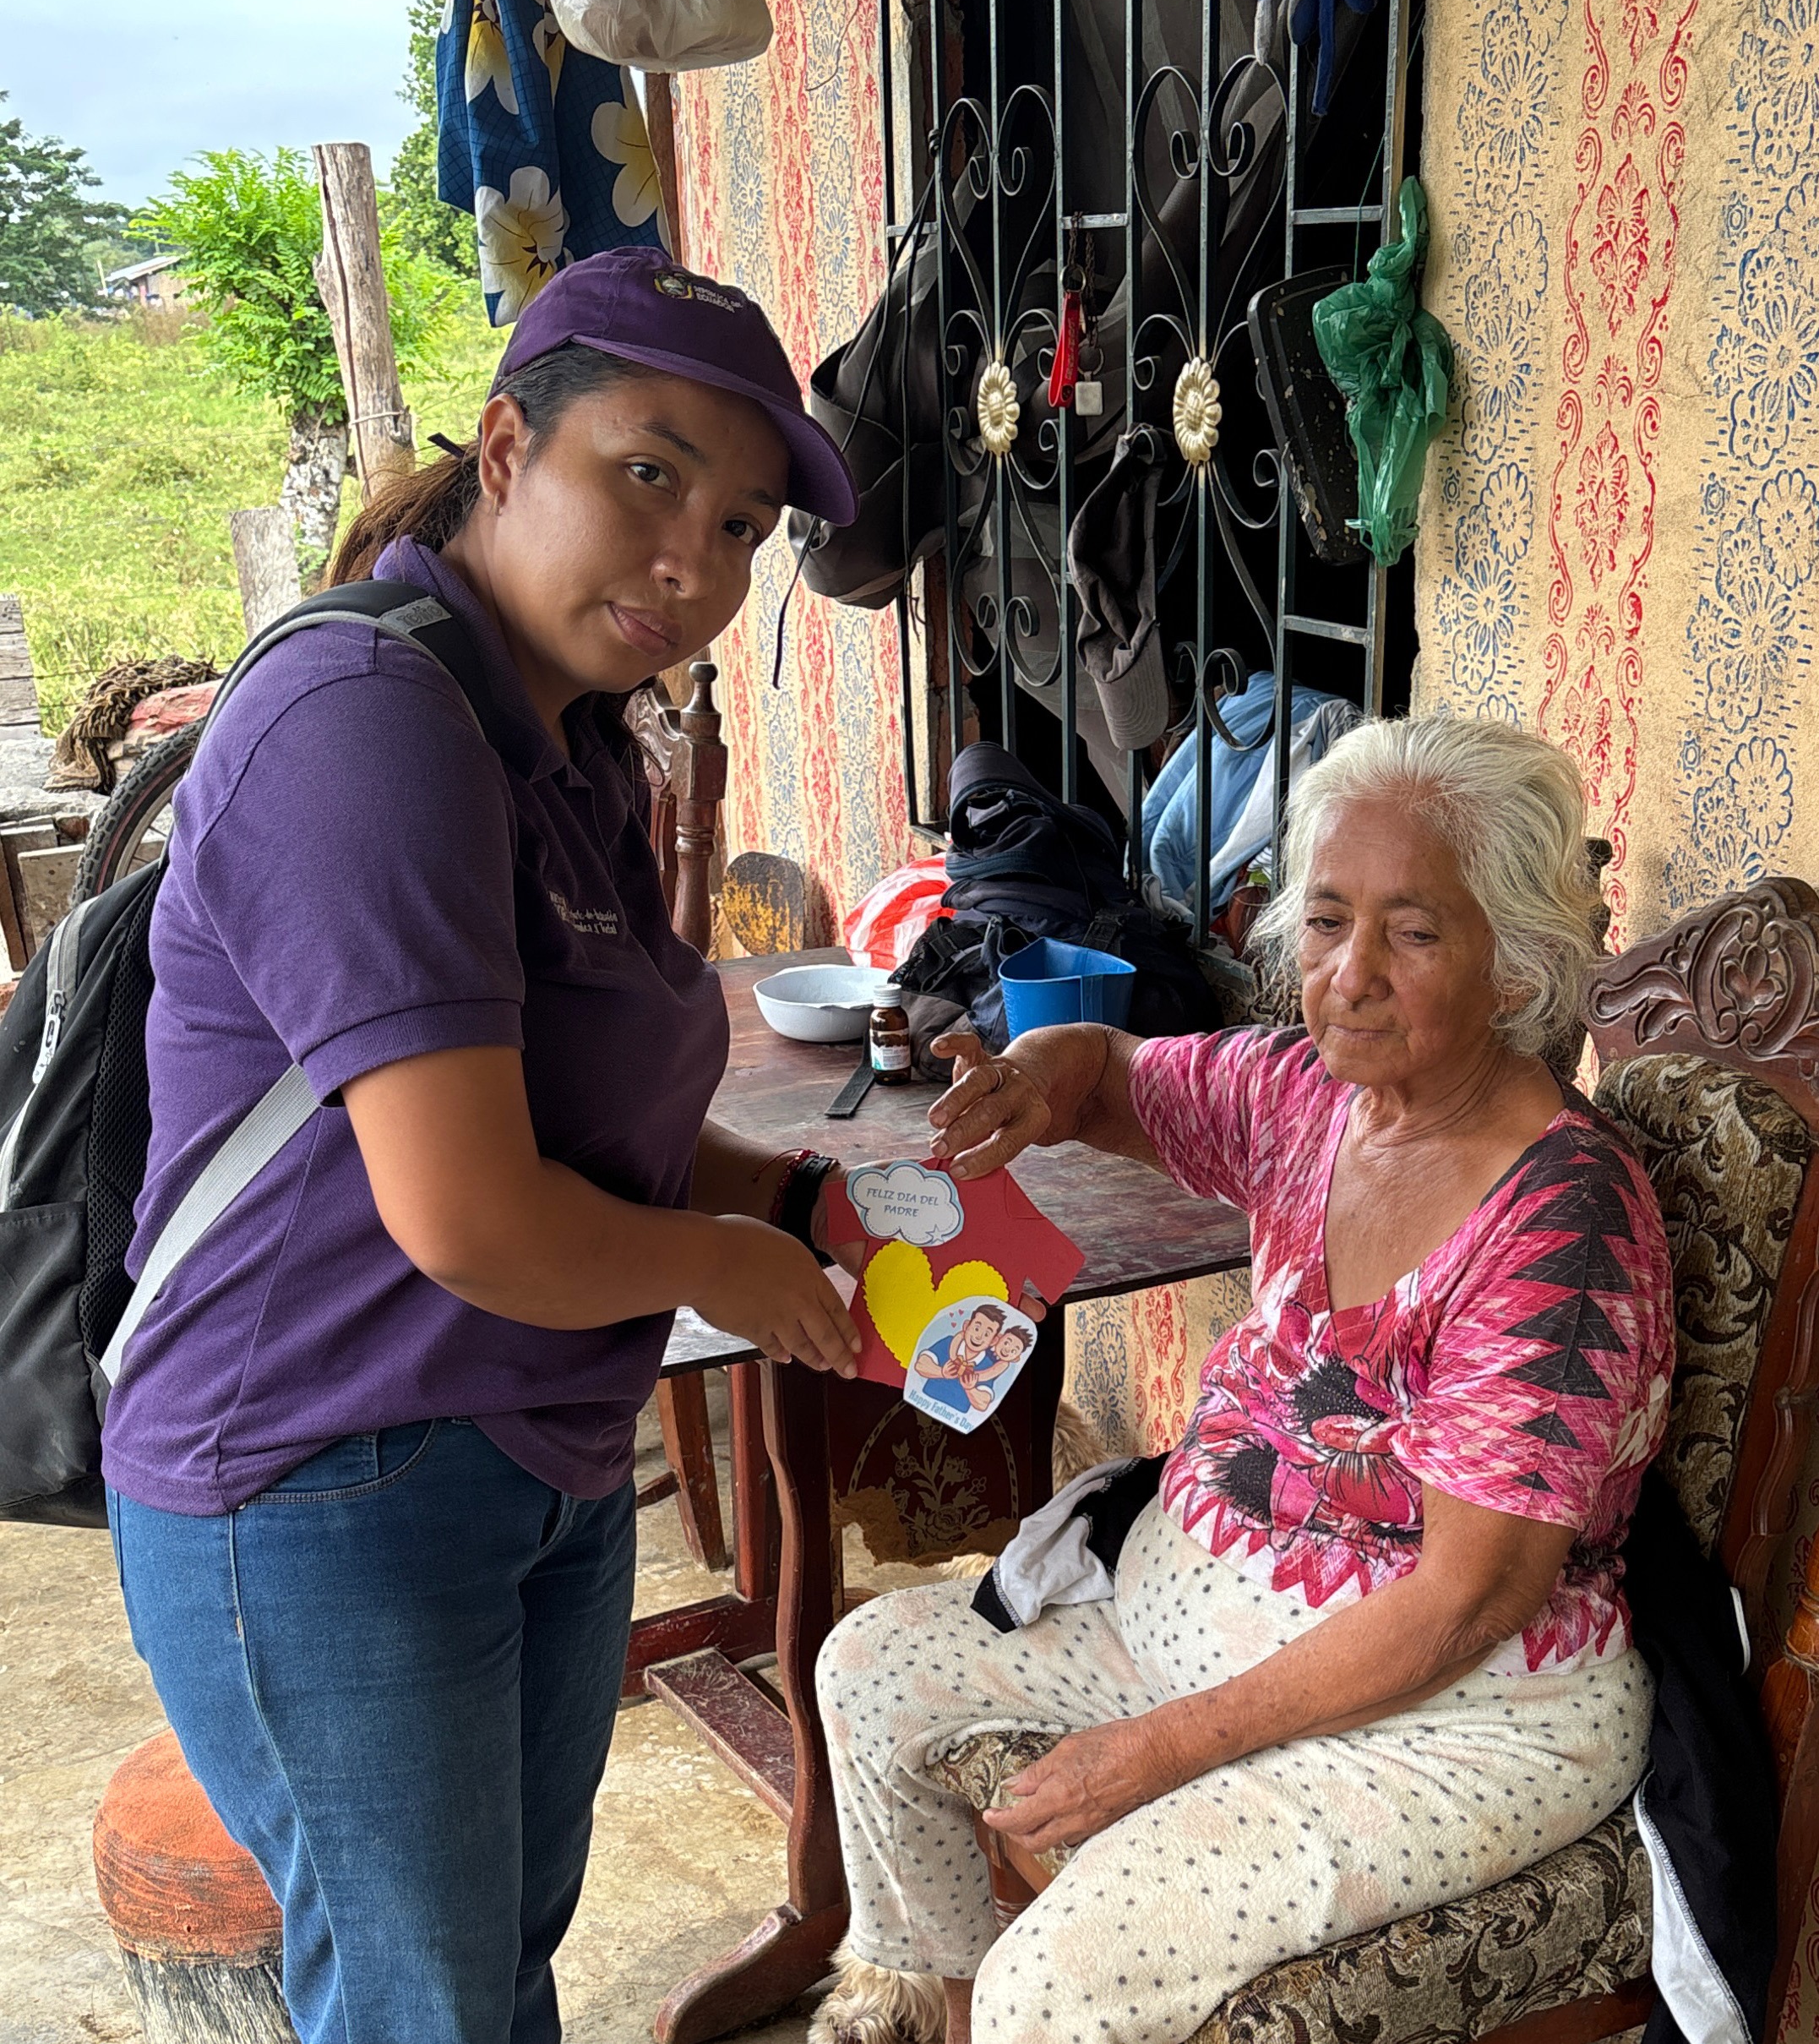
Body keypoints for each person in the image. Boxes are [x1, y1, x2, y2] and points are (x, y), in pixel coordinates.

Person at [102, 248, 867, 2044]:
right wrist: (726, 1263)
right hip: (322, 1468)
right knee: (421, 2002)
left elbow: (605, 1123)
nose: (694, 561)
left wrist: (812, 1199)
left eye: (742, 525)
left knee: (494, 1960)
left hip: (531, 1442)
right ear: (509, 445)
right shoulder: (365, 721)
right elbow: (471, 1213)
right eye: (649, 473)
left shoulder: (575, 742)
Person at [815, 714, 1675, 2044]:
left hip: (1451, 1715)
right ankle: (934, 2001)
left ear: (1512, 965)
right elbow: (1107, 1078)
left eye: (1413, 931)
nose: (1350, 975)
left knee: (1059, 1987)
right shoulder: (1306, 1096)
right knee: (870, 1662)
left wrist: (1156, 1749)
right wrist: (1040, 1072)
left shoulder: (1560, 1216)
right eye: (1325, 919)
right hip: (1189, 1622)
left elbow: (1472, 1595)